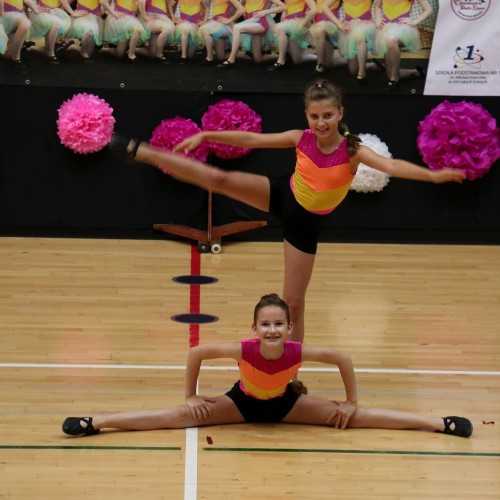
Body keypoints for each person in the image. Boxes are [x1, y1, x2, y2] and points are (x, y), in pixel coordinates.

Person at [109, 79, 466, 346]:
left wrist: (433, 176)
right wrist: (206, 135)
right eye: (314, 116)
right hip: (283, 194)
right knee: (218, 178)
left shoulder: (354, 150)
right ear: (307, 115)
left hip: (305, 224)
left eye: (328, 115)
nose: (321, 123)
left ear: (341, 113)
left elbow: (393, 166)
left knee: (293, 301)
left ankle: (290, 369)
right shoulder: (301, 137)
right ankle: (146, 152)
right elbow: (253, 140)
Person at [62, 293, 473, 438]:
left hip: (288, 405)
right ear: (254, 328)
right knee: (174, 416)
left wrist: (351, 400)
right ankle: (96, 422)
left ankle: (440, 423)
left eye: (279, 324)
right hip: (241, 404)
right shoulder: (244, 349)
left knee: (359, 419)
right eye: (265, 324)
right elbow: (196, 353)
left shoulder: (295, 351)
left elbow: (343, 358)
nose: (272, 330)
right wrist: (190, 394)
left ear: (289, 327)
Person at [374, 0, 432, 91]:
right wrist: (378, 18)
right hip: (386, 26)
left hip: (403, 27)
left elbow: (428, 9)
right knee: (389, 75)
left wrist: (415, 21)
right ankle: (416, 72)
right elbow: (377, 6)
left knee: (391, 40)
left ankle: (394, 80)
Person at [217, 0, 285, 67]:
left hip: (260, 23)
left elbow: (283, 6)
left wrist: (265, 11)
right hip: (250, 23)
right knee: (258, 60)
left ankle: (231, 59)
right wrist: (243, 11)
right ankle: (279, 56)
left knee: (237, 28)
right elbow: (241, 6)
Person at [267, 0, 317, 71]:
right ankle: (318, 57)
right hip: (288, 24)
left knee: (280, 29)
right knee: (297, 60)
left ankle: (281, 61)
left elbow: (314, 10)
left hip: (297, 23)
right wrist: (283, 24)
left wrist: (303, 23)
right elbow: (285, 11)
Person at [336, 0, 377, 83]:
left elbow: (379, 5)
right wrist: (339, 23)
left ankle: (362, 73)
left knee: (359, 36)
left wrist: (376, 19)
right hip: (349, 26)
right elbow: (325, 6)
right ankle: (373, 65)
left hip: (365, 24)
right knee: (353, 71)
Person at [198, 0, 244, 64]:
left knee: (204, 29)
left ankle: (209, 57)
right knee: (220, 57)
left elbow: (241, 10)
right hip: (216, 25)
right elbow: (207, 7)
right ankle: (246, 56)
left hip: (224, 26)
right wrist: (205, 21)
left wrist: (229, 20)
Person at [309, 0, 343, 73]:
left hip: (332, 27)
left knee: (320, 30)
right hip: (319, 27)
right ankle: (321, 63)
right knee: (328, 64)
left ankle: (320, 64)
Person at [0, 0, 35, 66]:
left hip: (15, 15)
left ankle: (15, 55)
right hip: (5, 15)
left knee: (7, 55)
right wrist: (2, 12)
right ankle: (16, 58)